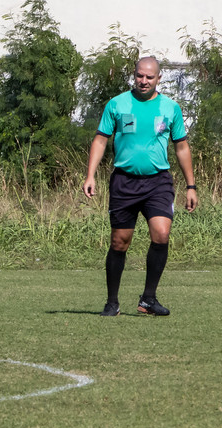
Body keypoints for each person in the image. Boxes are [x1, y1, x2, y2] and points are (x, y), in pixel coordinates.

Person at [82, 56, 196, 317]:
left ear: (159, 78)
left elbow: (181, 146)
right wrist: (90, 175)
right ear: (134, 75)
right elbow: (100, 140)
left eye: (149, 77)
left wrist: (191, 185)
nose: (143, 81)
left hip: (158, 182)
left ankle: (148, 299)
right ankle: (112, 302)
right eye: (139, 76)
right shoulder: (118, 104)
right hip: (124, 182)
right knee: (120, 242)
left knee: (162, 234)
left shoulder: (170, 108)